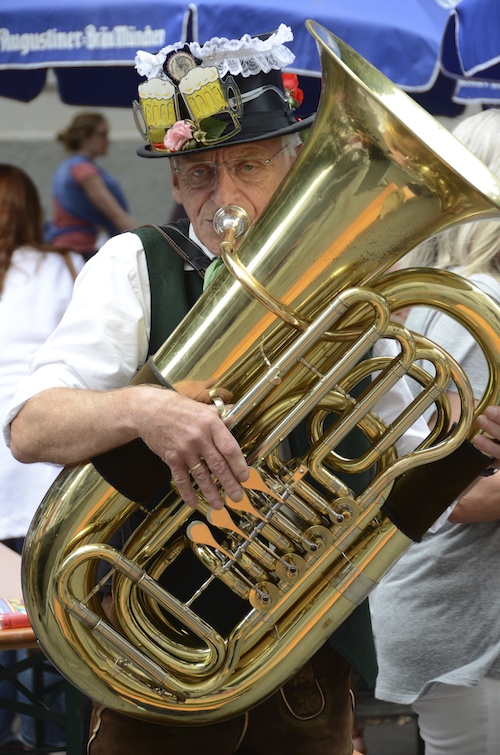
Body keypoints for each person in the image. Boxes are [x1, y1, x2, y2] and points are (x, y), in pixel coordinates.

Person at [2, 26, 499, 755]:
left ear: (294, 168)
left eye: (249, 165)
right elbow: (30, 428)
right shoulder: (136, 266)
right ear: (174, 182)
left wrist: (473, 443)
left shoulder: (357, 294)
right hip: (147, 674)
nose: (223, 196)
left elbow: (416, 474)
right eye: (199, 173)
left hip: (307, 677)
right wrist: (146, 408)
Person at [369, 108, 500, 755]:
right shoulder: (477, 304)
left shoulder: (446, 296)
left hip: (451, 615)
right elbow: (449, 494)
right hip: (457, 620)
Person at [0, 164, 85, 752]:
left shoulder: (63, 265)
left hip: (33, 458)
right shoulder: (63, 267)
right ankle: (46, 742)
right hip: (42, 468)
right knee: (48, 626)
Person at [44, 112, 136, 259]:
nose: (108, 141)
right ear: (84, 137)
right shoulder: (84, 169)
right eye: (102, 134)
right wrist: (143, 240)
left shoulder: (69, 166)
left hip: (68, 248)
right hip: (80, 250)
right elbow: (116, 214)